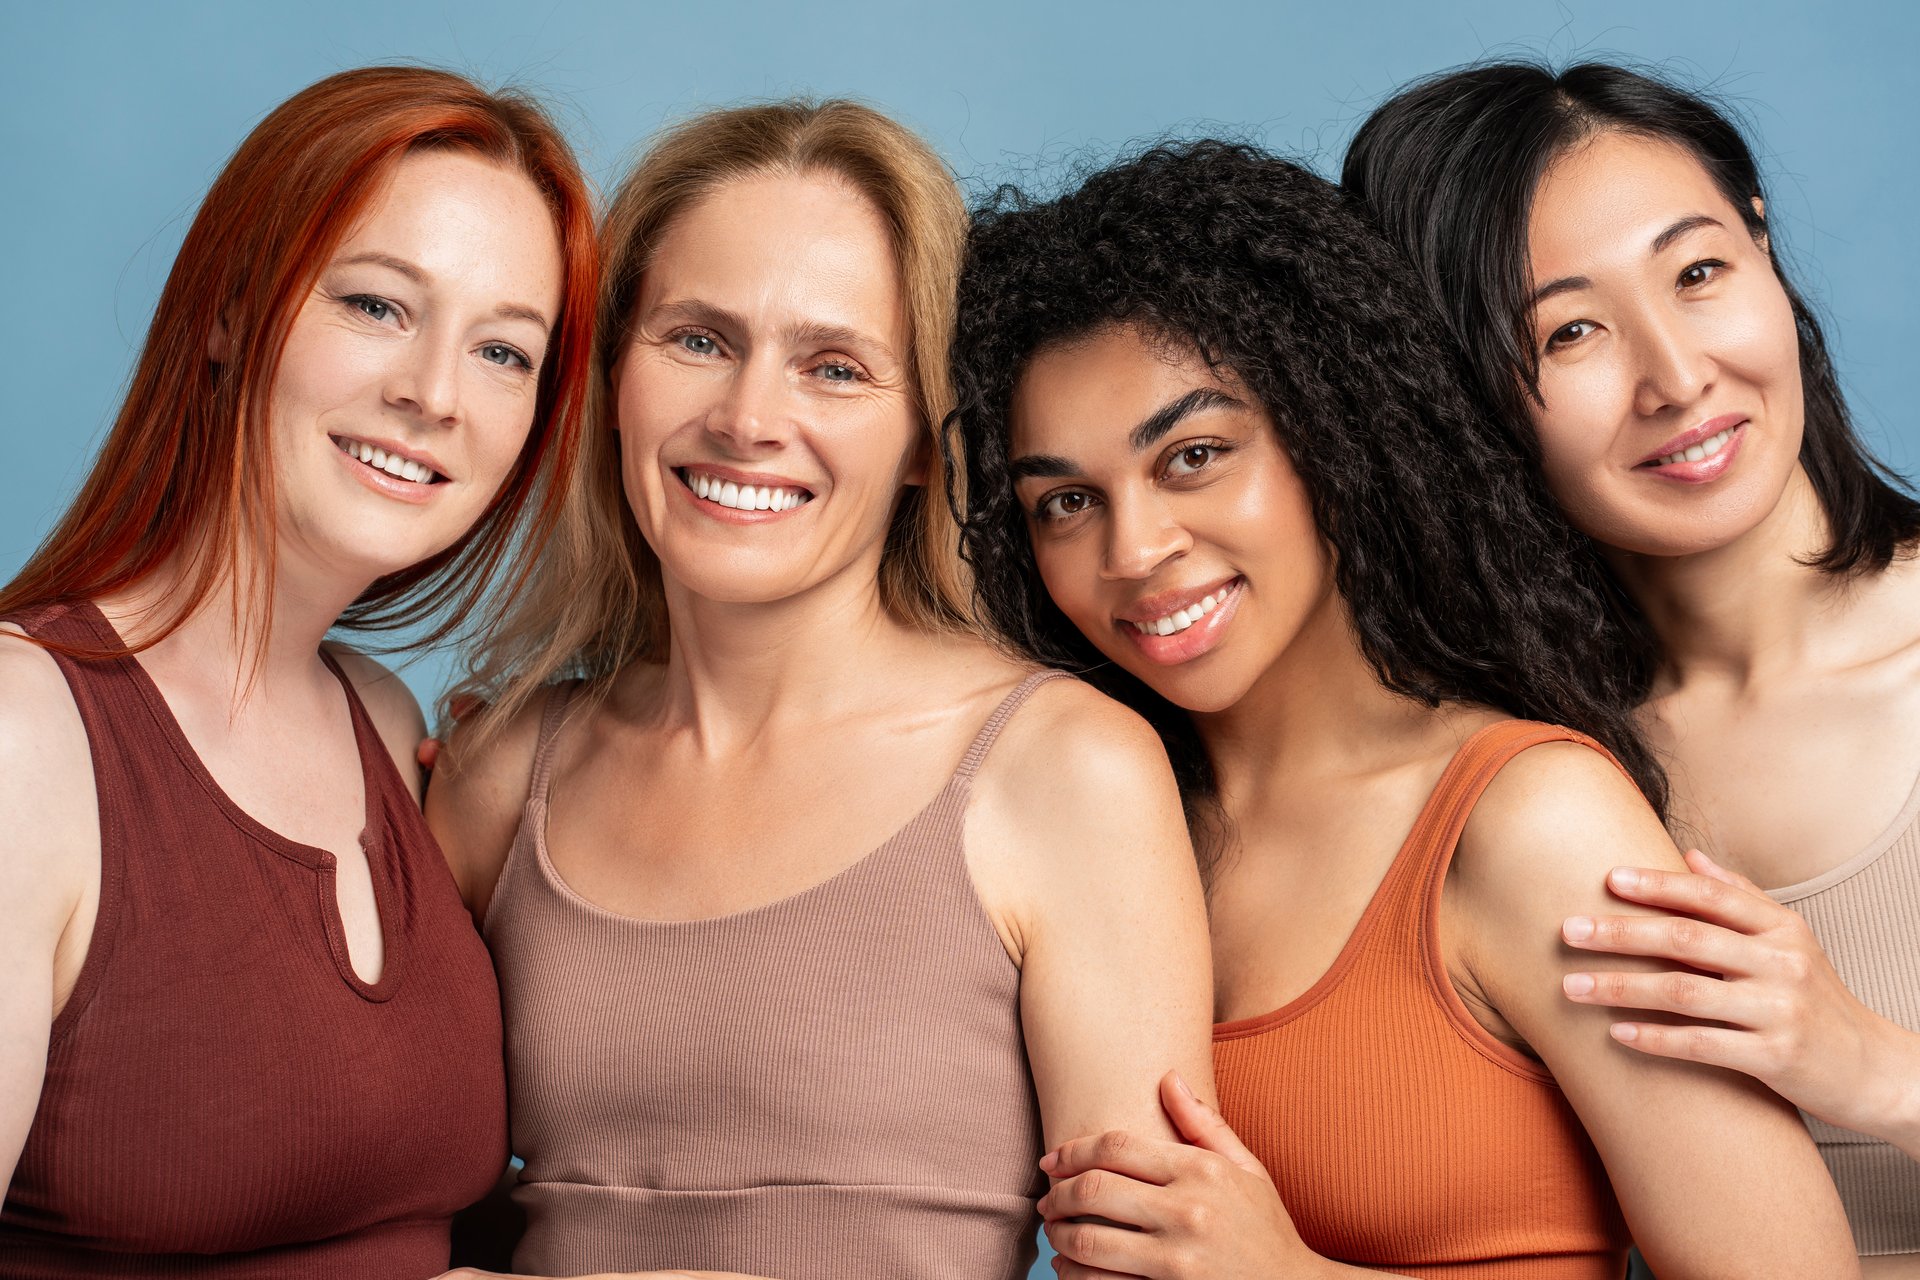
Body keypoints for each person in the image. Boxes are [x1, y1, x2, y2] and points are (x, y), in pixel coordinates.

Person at [947, 139, 1857, 1278]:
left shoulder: (1533, 821)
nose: (1133, 550)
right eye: (1067, 500)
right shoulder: (1088, 823)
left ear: (1329, 431)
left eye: (1193, 455)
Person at [425, 99, 1214, 1280]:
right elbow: (381, 1203)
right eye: (697, 338)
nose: (748, 419)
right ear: (612, 377)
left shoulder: (1063, 768)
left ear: (920, 442)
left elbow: (1156, 1275)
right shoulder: (502, 771)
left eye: (834, 366)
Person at [0, 66, 598, 1276]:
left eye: (502, 351)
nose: (432, 394)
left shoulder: (382, 723)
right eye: (379, 306)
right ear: (229, 311)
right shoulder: (24, 735)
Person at [1344, 60, 1920, 1273]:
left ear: (1764, 248)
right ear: (1457, 395)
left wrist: (1867, 1063)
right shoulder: (1519, 776)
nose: (1677, 376)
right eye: (1570, 331)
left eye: (1699, 273)